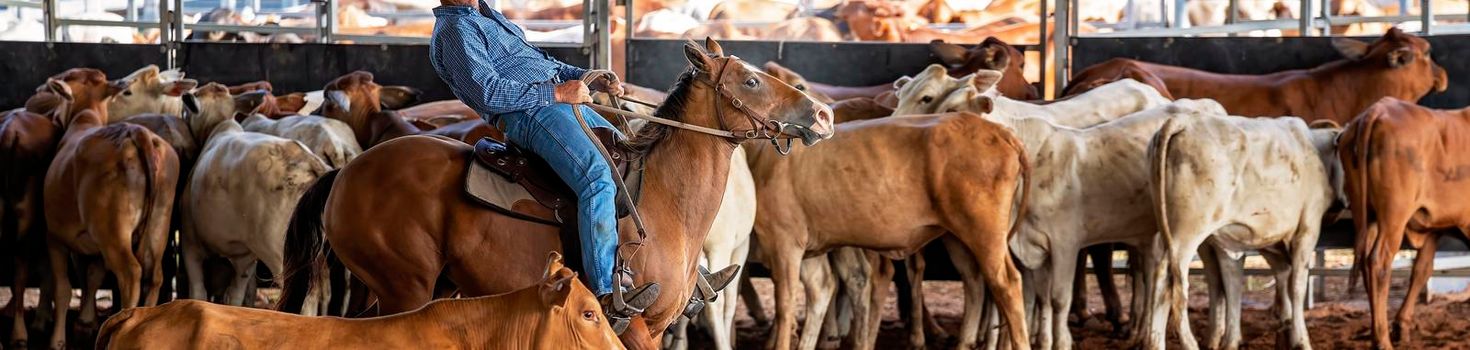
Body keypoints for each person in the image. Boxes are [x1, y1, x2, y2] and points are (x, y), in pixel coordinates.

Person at [428, 0, 655, 332]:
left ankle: (657, 262)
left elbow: (539, 63)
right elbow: (489, 93)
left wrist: (586, 78)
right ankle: (608, 292)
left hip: (554, 102)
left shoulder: (485, 14)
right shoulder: (455, 31)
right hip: (531, 114)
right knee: (596, 179)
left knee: (633, 157)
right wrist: (558, 94)